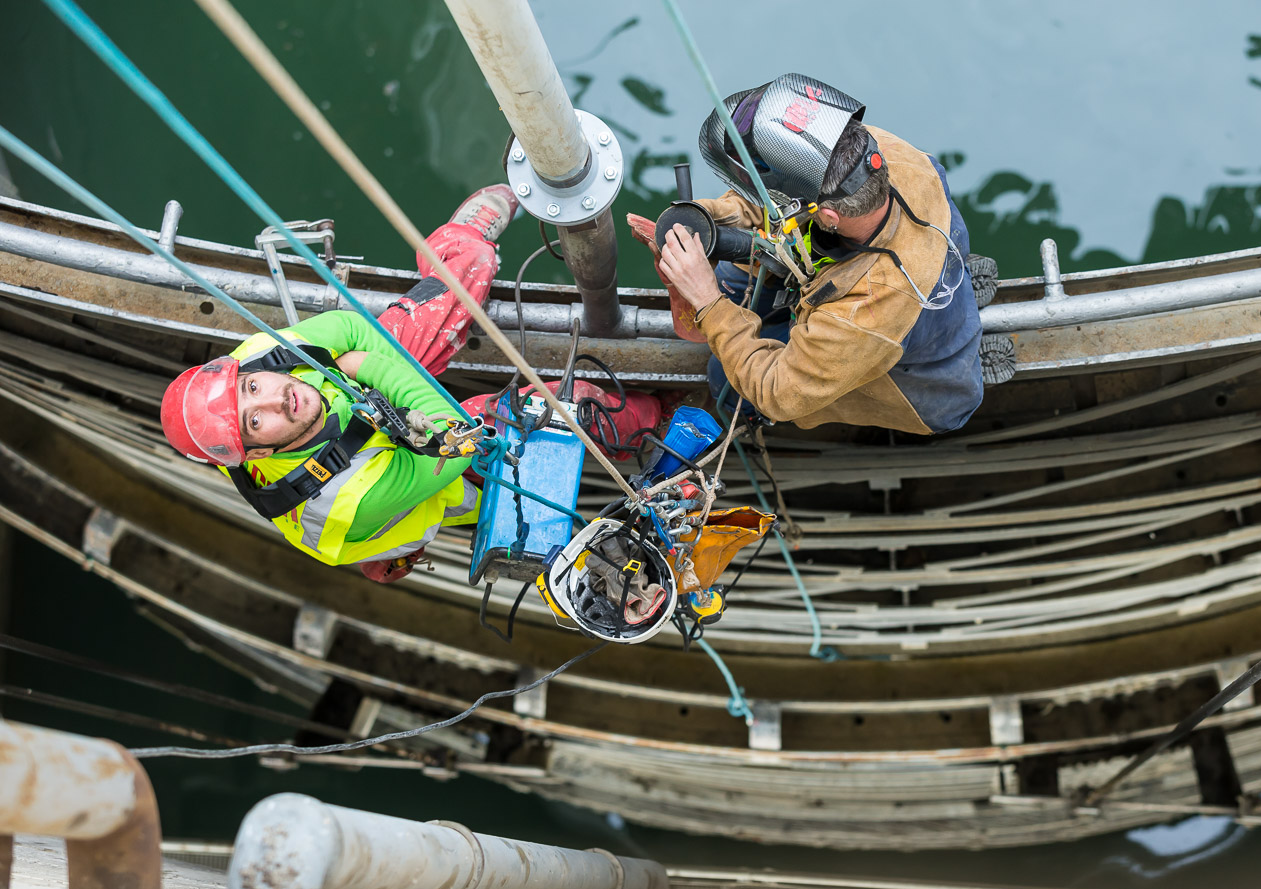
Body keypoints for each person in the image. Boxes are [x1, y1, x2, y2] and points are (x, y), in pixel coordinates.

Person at [159, 185, 662, 582]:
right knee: (562, 409)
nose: (274, 397)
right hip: (414, 485)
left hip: (361, 414)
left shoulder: (253, 363)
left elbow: (354, 328)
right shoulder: (348, 499)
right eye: (255, 420)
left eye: (251, 389)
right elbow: (459, 441)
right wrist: (363, 368)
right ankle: (654, 418)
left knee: (441, 295)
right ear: (258, 455)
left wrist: (365, 367)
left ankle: (466, 243)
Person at [654, 73, 985, 436]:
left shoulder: (865, 313)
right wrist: (726, 213)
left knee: (727, 379)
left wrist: (707, 301)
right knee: (734, 280)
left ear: (828, 216)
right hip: (888, 274)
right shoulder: (868, 149)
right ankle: (954, 293)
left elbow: (776, 391)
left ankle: (951, 342)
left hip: (918, 385)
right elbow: (783, 193)